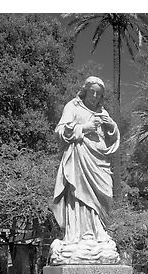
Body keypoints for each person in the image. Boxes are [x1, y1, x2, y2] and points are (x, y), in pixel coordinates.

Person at [51, 76, 120, 246]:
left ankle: (99, 230)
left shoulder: (103, 113)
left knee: (103, 193)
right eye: (92, 92)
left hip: (99, 159)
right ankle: (82, 232)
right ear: (85, 91)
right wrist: (83, 128)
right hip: (80, 157)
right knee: (80, 193)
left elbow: (113, 139)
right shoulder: (73, 107)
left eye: (99, 94)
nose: (95, 96)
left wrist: (112, 126)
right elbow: (59, 131)